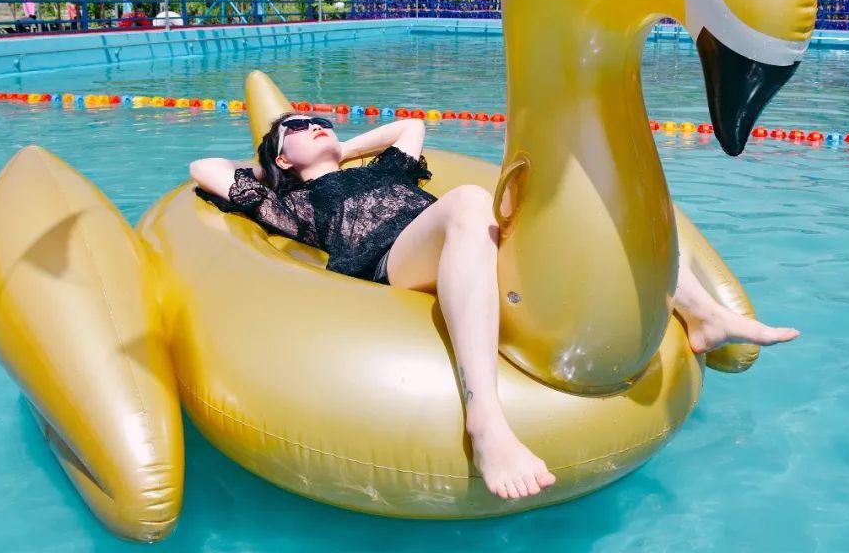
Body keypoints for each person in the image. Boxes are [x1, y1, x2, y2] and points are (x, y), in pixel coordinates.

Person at [190, 115, 800, 501]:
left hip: (456, 238)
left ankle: (700, 311)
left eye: (319, 118)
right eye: (298, 126)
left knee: (579, 210)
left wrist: (339, 144)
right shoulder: (292, 204)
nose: (316, 123)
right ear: (282, 158)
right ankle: (485, 420)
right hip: (390, 259)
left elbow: (408, 125)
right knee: (465, 201)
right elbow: (205, 168)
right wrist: (275, 169)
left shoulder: (383, 167)